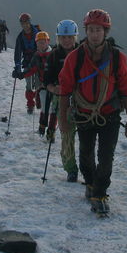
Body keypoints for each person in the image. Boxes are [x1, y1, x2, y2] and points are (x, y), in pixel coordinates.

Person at [58, 9, 127, 217]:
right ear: (86, 31)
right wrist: (62, 120)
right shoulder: (75, 59)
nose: (94, 34)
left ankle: (100, 194)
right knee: (85, 155)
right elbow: (65, 91)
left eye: (98, 30)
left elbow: (126, 90)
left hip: (110, 114)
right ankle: (91, 183)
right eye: (91, 30)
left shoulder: (118, 58)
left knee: (106, 157)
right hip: (83, 114)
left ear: (105, 31)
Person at [45, 19, 80, 182]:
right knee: (67, 135)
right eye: (63, 37)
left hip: (82, 98)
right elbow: (47, 80)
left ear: (75, 37)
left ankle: (86, 167)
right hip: (62, 99)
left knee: (86, 135)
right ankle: (71, 168)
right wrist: (54, 89)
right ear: (58, 38)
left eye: (70, 37)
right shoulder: (53, 56)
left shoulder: (82, 53)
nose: (67, 40)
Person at [19, 31, 55, 136]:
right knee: (45, 107)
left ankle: (50, 131)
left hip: (54, 86)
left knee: (53, 109)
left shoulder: (54, 54)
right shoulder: (37, 56)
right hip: (43, 86)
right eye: (39, 42)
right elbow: (31, 69)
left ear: (48, 42)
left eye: (43, 42)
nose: (41, 44)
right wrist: (21, 75)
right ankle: (42, 128)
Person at [12, 13, 40, 114]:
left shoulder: (38, 33)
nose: (25, 25)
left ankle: (38, 99)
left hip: (38, 61)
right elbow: (18, 53)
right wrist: (18, 67)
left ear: (29, 22)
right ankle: (30, 104)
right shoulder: (20, 37)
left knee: (38, 83)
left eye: (26, 22)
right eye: (23, 23)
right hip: (28, 62)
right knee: (28, 85)